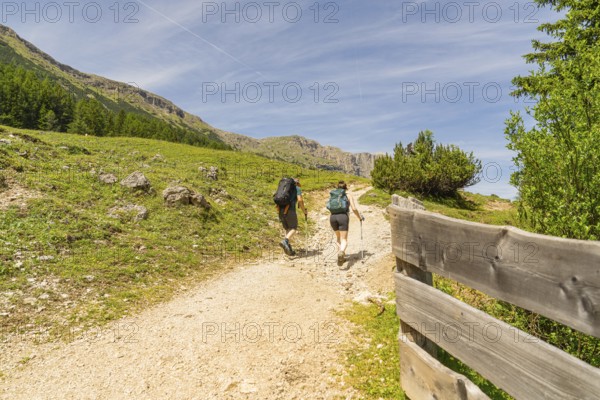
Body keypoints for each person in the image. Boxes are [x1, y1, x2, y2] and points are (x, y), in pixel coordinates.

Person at [329, 181, 364, 267]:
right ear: (346, 187)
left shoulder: (333, 195)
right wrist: (359, 217)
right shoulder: (348, 195)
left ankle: (341, 256)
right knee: (344, 239)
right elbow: (354, 208)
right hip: (343, 217)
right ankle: (342, 252)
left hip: (332, 217)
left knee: (338, 238)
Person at [278, 178, 307, 256]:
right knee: (293, 227)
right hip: (290, 210)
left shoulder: (283, 189)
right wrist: (304, 211)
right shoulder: (297, 188)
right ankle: (285, 241)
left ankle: (288, 249)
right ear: (296, 183)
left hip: (280, 210)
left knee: (288, 229)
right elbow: (300, 200)